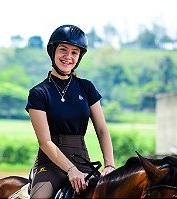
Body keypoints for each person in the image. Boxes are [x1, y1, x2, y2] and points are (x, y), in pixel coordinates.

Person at [25, 24, 115, 198]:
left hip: (83, 161)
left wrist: (109, 164)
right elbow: (45, 142)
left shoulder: (86, 88)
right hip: (50, 165)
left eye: (74, 52)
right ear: (53, 52)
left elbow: (102, 129)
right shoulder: (38, 93)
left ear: (79, 57)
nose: (68, 57)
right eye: (63, 50)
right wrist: (71, 169)